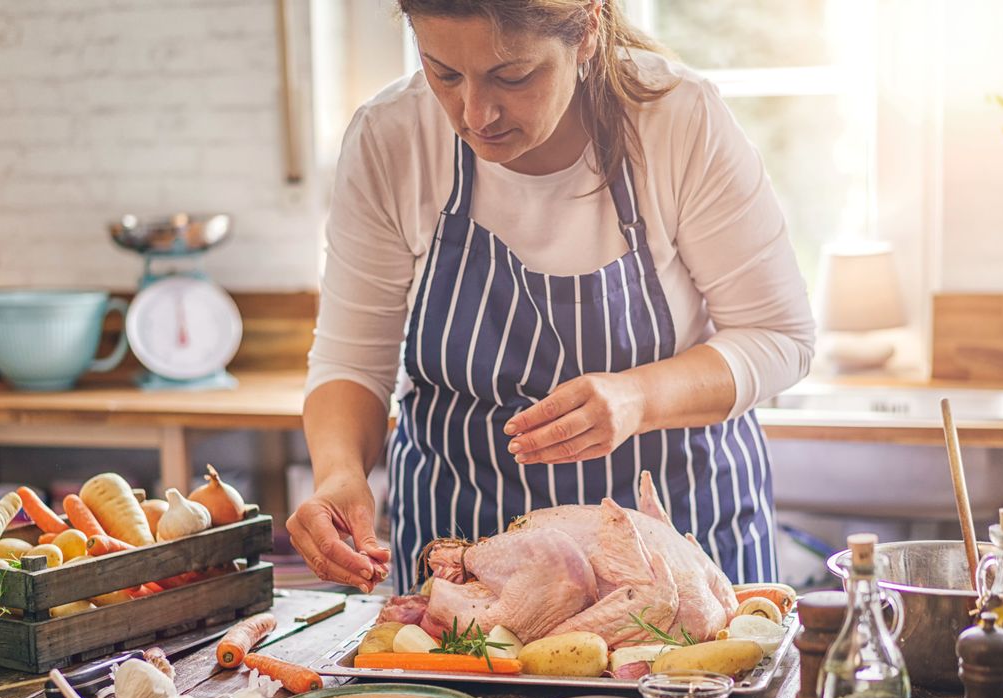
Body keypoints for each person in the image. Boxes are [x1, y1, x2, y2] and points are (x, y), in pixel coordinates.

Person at [288, 0, 814, 596]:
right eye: (444, 73)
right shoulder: (392, 137)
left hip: (676, 554)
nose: (475, 113)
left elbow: (780, 338)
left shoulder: (677, 120)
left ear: (588, 30)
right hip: (469, 558)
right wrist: (337, 475)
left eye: (512, 76)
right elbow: (350, 362)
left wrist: (638, 396)